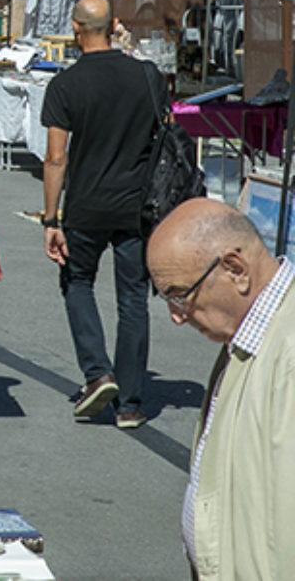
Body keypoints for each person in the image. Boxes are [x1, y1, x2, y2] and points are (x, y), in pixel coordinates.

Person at [146, 199, 295, 580]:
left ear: (235, 269)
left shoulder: (288, 352)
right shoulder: (247, 337)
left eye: (180, 295)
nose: (176, 316)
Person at [41, 0, 167, 429]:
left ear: (76, 30)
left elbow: (55, 159)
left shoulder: (66, 85)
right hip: (137, 204)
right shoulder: (148, 76)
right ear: (115, 25)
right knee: (133, 299)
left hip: (85, 205)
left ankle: (98, 373)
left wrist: (50, 218)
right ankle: (130, 403)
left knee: (77, 281)